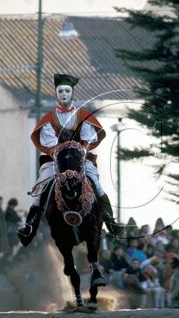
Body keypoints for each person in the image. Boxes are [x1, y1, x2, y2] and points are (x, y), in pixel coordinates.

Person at [17, 73, 121, 244]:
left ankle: (111, 222)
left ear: (72, 93)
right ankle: (30, 226)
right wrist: (58, 153)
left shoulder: (83, 115)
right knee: (42, 185)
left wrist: (79, 152)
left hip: (79, 159)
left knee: (96, 183)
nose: (63, 94)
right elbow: (50, 143)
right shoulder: (49, 118)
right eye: (60, 91)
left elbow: (87, 140)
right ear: (56, 93)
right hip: (56, 160)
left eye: (67, 90)